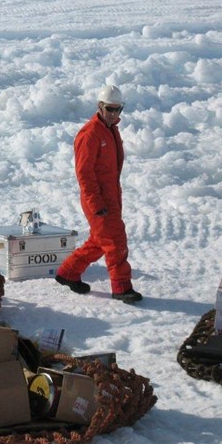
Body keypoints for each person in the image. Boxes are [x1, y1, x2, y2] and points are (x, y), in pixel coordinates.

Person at [55, 85, 142, 304]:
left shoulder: (111, 129)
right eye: (109, 109)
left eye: (117, 109)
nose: (114, 114)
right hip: (98, 199)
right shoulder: (90, 133)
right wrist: (96, 203)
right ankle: (122, 287)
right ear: (99, 106)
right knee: (115, 242)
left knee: (98, 241)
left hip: (110, 197)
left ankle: (68, 273)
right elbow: (84, 173)